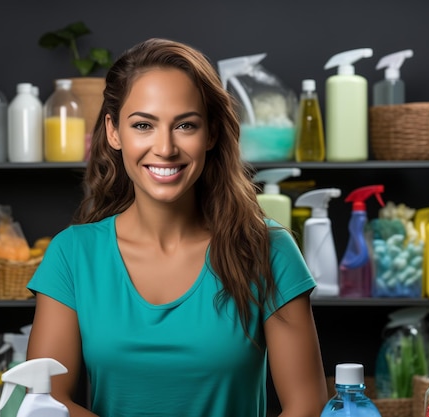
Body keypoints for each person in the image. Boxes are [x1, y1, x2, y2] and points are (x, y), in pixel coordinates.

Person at [27, 37, 327, 417]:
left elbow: (307, 406)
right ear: (114, 132)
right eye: (143, 125)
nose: (165, 148)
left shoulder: (268, 249)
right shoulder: (72, 255)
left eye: (185, 125)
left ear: (211, 134)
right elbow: (44, 402)